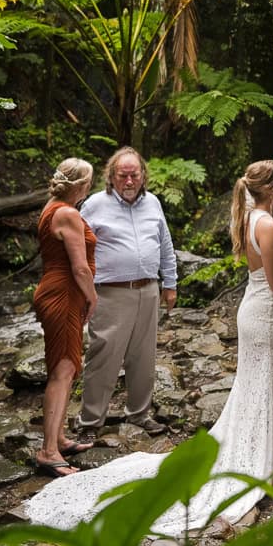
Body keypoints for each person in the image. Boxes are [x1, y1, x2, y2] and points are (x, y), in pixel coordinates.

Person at [25, 161, 273, 533]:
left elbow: (260, 273)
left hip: (258, 311)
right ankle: (255, 466)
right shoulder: (267, 223)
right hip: (263, 313)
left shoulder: (254, 218)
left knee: (257, 387)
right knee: (259, 388)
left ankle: (257, 460)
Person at [74, 147, 178, 438]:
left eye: (134, 175)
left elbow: (165, 244)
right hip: (110, 293)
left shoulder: (153, 203)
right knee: (104, 356)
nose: (129, 181)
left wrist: (170, 283)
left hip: (148, 290)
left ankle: (139, 414)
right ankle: (91, 421)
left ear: (143, 175)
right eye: (123, 175)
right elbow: (78, 250)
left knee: (144, 357)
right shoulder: (95, 205)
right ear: (112, 176)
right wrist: (81, 290)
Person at [31, 158, 98, 477]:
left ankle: (57, 437)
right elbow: (80, 267)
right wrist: (92, 296)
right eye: (89, 183)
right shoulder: (68, 213)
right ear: (82, 185)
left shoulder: (51, 208)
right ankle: (48, 451)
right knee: (63, 367)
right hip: (63, 293)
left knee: (67, 363)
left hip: (57, 290)